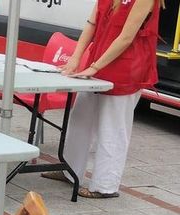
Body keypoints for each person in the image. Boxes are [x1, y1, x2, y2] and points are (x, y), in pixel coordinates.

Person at [41, 0, 163, 199]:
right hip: (98, 63)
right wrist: (76, 58)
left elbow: (126, 37)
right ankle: (69, 170)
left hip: (125, 68)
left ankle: (105, 185)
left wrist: (95, 67)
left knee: (113, 128)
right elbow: (91, 24)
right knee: (80, 117)